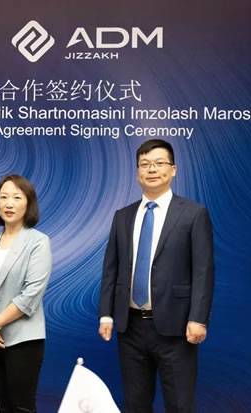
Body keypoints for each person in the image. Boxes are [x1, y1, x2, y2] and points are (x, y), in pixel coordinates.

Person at [98, 139, 214, 412]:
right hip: (130, 327)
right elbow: (111, 268)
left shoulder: (193, 213)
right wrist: (106, 314)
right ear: (137, 172)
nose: (152, 170)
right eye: (145, 164)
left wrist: (198, 318)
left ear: (173, 170)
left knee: (179, 405)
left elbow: (203, 270)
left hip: (177, 327)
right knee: (135, 404)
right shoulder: (122, 216)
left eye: (159, 163)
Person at [0, 175, 52, 413]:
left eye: (16, 197)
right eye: (3, 197)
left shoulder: (38, 242)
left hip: (22, 340)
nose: (9, 203)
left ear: (28, 203)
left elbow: (30, 295)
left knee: (21, 407)